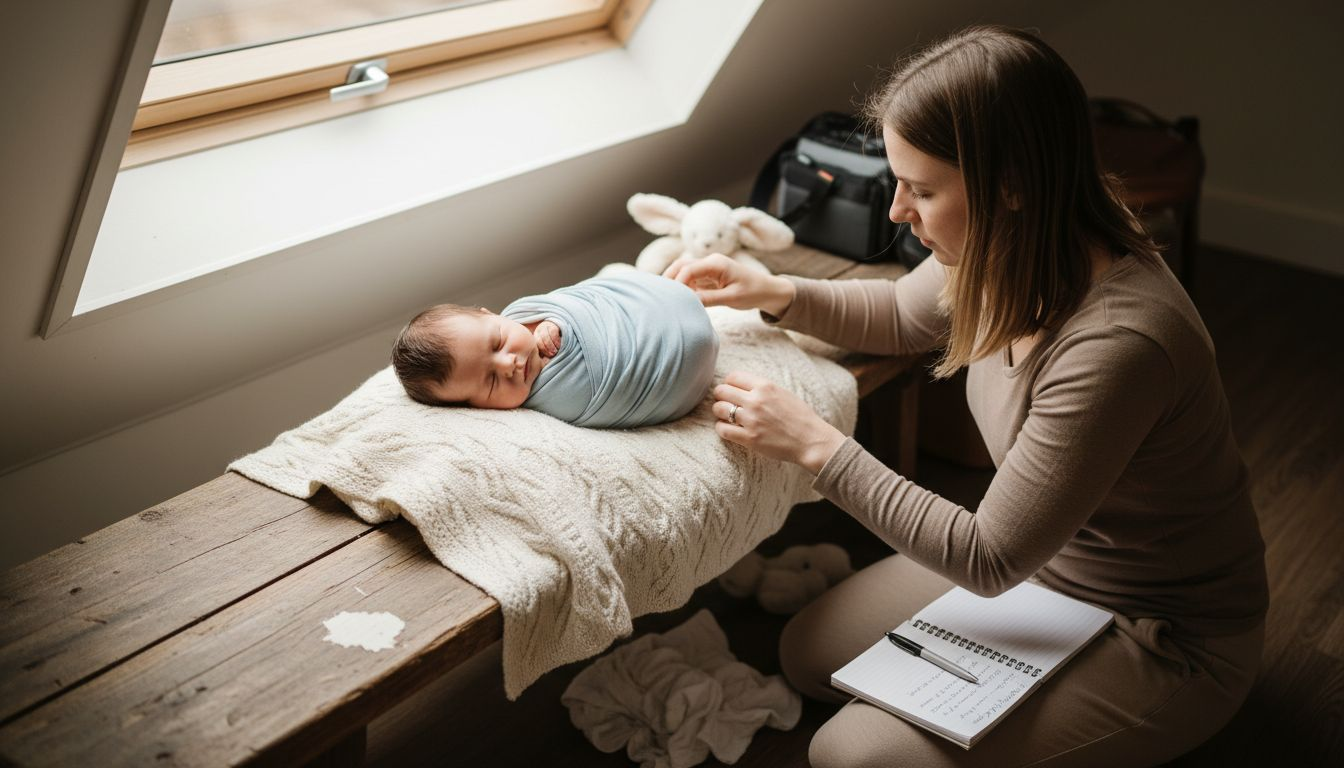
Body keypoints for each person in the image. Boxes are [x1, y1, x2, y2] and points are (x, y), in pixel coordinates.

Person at [664, 24, 1267, 768]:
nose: (896, 213)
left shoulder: (1120, 344)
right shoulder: (1006, 246)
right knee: (805, 654)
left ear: (1010, 185)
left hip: (1159, 629)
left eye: (921, 190)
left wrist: (815, 444)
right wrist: (776, 291)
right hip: (1047, 565)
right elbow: (900, 314)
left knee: (848, 755)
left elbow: (987, 557)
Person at [392, 268, 718, 429]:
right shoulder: (549, 405)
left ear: (488, 314)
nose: (509, 364)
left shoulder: (522, 312)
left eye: (498, 342)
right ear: (473, 408)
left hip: (662, 303)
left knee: (613, 275)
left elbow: (576, 303)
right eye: (491, 381)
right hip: (678, 367)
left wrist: (558, 321)